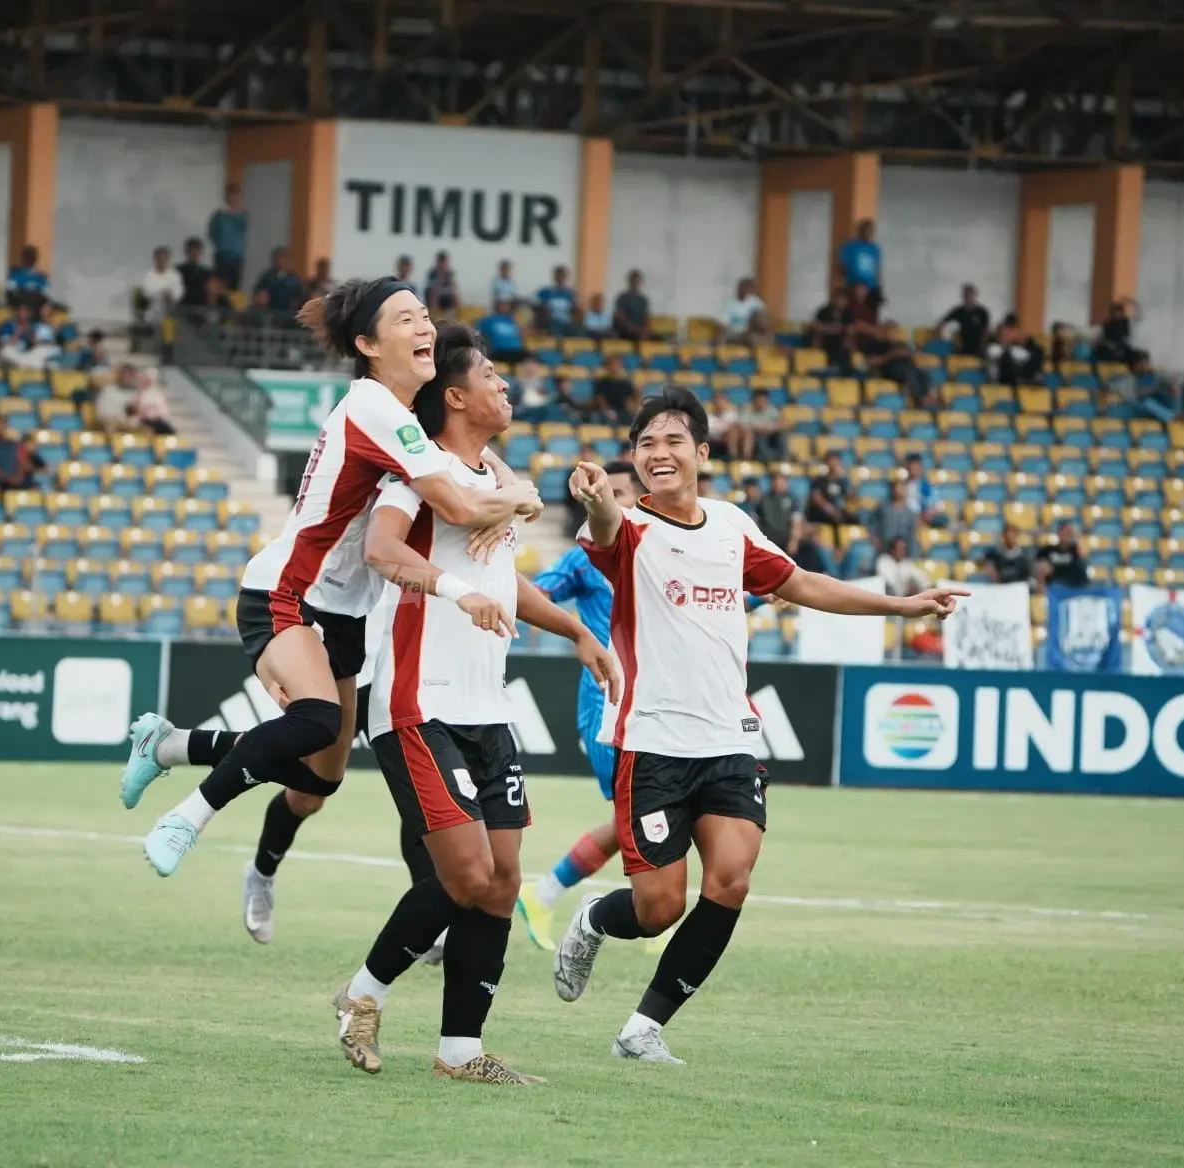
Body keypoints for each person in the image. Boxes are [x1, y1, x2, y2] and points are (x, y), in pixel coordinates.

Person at [552, 386, 964, 1063]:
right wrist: (598, 497)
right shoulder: (628, 529)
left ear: (702, 453)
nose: (659, 453)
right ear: (635, 458)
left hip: (728, 741)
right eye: (646, 443)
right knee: (658, 908)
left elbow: (801, 583)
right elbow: (602, 526)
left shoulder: (731, 524)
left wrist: (902, 606)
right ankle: (597, 916)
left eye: (673, 441)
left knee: (732, 880)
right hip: (651, 743)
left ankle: (643, 1028)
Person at [115, 279, 543, 883]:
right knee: (315, 720)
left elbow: (476, 475)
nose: (424, 327)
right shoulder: (372, 407)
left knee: (321, 774)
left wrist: (515, 491)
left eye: (425, 316)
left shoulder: (404, 422)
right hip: (287, 589)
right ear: (368, 343)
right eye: (405, 320)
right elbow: (461, 508)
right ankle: (188, 818)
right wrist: (520, 498)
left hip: (344, 610)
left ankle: (169, 745)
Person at [336, 322, 618, 1084]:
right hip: (415, 705)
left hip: (486, 710)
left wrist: (574, 633)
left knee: (499, 880)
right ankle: (361, 994)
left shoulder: (494, 474)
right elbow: (382, 553)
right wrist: (454, 591)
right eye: (490, 374)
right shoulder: (415, 478)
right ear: (455, 395)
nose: (505, 385)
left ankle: (460, 1051)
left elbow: (504, 583)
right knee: (462, 877)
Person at [515, 461, 642, 950]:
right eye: (618, 494)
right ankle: (642, 915)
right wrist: (576, 633)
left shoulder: (653, 551)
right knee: (640, 814)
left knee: (646, 815)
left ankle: (544, 895)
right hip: (605, 703)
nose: (625, 503)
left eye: (630, 494)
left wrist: (763, 598)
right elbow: (534, 595)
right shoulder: (586, 559)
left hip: (648, 704)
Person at [0, 416, 44, 491]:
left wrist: (18, 477)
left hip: (13, 482)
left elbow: (22, 463)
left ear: (5, 426)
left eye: (2, 425)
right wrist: (4, 477)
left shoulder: (14, 445)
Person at [208, 183, 248, 290]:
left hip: (236, 257)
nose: (234, 198)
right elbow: (212, 234)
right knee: (220, 286)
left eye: (237, 196)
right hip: (222, 256)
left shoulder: (243, 215)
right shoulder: (219, 215)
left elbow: (243, 231)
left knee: (234, 288)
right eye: (231, 195)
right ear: (226, 196)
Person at [934, 284, 990, 358]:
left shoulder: (982, 312)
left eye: (970, 295)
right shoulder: (959, 311)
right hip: (964, 346)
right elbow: (941, 322)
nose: (968, 298)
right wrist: (942, 338)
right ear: (963, 296)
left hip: (978, 347)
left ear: (975, 295)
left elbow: (985, 330)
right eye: (965, 295)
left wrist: (982, 347)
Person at [810, 287, 854, 376]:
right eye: (839, 299)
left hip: (840, 341)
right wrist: (838, 329)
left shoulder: (848, 313)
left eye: (843, 300)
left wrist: (832, 329)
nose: (841, 302)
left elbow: (850, 330)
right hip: (824, 339)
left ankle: (843, 371)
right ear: (834, 299)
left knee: (845, 346)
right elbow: (818, 327)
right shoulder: (823, 311)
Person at [838, 219, 881, 307]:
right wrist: (849, 281)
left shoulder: (875, 248)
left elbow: (877, 268)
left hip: (871, 286)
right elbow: (843, 266)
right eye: (866, 229)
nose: (868, 232)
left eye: (871, 230)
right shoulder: (850, 246)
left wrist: (878, 284)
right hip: (853, 284)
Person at [1034, 522, 1089, 591]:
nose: (1067, 534)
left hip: (1073, 587)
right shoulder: (1047, 550)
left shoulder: (1075, 551)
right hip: (1053, 587)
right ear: (1059, 533)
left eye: (1070, 532)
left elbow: (1083, 570)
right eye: (1065, 531)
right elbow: (1038, 570)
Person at [734, 388, 784, 462]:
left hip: (770, 435)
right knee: (758, 438)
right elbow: (741, 425)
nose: (761, 402)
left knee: (782, 434)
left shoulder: (772, 410)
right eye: (759, 399)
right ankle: (763, 459)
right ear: (754, 400)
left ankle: (783, 458)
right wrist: (760, 428)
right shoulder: (747, 409)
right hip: (755, 436)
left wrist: (771, 428)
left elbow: (783, 422)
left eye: (763, 400)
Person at [868, 480, 917, 554]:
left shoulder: (910, 513)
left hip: (903, 554)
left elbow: (912, 536)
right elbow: (872, 524)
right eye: (897, 487)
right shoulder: (883, 508)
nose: (899, 490)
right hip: (884, 550)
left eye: (902, 487)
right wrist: (874, 537)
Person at [806, 450, 852, 528]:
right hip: (822, 512)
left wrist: (845, 478)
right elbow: (816, 498)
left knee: (853, 519)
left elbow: (851, 496)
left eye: (837, 460)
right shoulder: (820, 479)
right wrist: (830, 509)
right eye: (832, 460)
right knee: (837, 518)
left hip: (836, 511)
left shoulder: (842, 481)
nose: (835, 463)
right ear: (827, 462)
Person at [137, 245, 183, 325]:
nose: (162, 260)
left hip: (171, 312)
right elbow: (147, 292)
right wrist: (162, 293)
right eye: (159, 257)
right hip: (152, 313)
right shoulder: (148, 276)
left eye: (164, 257)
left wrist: (170, 295)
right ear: (155, 259)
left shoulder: (175, 275)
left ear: (168, 259)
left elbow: (179, 292)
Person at [254, 247, 304, 315]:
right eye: (278, 258)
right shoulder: (267, 276)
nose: (280, 260)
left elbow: (301, 294)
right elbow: (258, 291)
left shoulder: (293, 277)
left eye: (283, 258)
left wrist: (297, 302)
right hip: (270, 312)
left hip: (288, 313)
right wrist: (261, 297)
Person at [722, 278, 769, 347]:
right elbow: (724, 325)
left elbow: (764, 319)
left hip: (752, 332)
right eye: (743, 287)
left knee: (761, 317)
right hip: (736, 334)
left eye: (748, 288)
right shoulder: (731, 303)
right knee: (751, 338)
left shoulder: (756, 302)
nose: (745, 290)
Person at [902, 454, 945, 528]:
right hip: (910, 518)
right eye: (912, 466)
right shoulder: (903, 486)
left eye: (917, 466)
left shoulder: (928, 486)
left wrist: (930, 512)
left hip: (927, 518)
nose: (914, 469)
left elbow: (938, 505)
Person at [5, 245, 51, 312]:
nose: (30, 259)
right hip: (20, 306)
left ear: (36, 258)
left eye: (32, 257)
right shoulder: (14, 274)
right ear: (23, 258)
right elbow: (10, 292)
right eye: (27, 257)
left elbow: (46, 295)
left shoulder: (42, 277)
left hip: (37, 307)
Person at [592, 352, 635, 425]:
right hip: (607, 412)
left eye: (618, 364)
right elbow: (600, 399)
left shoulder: (625, 382)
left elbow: (633, 396)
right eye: (612, 364)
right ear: (607, 366)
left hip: (623, 412)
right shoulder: (602, 382)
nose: (615, 367)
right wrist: (607, 411)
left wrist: (634, 409)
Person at [757, 471, 795, 549]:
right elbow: (756, 519)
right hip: (767, 539)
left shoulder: (792, 499)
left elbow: (796, 521)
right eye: (775, 480)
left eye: (781, 480)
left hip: (785, 539)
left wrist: (793, 540)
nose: (777, 483)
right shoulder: (763, 499)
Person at [536, 266, 578, 336]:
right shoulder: (546, 291)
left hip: (566, 322)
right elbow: (536, 303)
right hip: (551, 322)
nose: (561, 279)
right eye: (559, 276)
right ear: (555, 277)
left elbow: (575, 307)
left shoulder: (570, 293)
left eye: (563, 276)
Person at [613, 270, 651, 341]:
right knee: (638, 336)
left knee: (657, 338)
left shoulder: (643, 300)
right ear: (629, 281)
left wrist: (646, 329)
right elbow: (621, 318)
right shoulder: (622, 297)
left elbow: (647, 317)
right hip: (626, 330)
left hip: (640, 330)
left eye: (637, 281)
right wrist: (635, 329)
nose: (635, 283)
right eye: (633, 280)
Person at [177, 237, 213, 308]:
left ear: (200, 252)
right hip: (182, 307)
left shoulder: (207, 272)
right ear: (186, 251)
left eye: (196, 250)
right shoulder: (178, 271)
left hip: (201, 308)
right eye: (191, 250)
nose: (194, 253)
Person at [424, 251, 458, 315]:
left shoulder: (449, 273)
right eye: (441, 261)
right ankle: (435, 312)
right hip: (435, 296)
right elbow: (431, 288)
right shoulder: (432, 273)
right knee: (433, 293)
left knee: (454, 293)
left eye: (444, 262)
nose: (442, 264)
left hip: (446, 296)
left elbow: (453, 288)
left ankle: (455, 312)